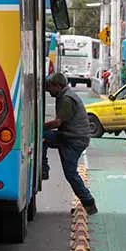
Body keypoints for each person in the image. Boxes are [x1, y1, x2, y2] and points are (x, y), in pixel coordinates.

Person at [41, 73, 98, 214]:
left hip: (73, 140)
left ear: (58, 86)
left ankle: (89, 203)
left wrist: (38, 127)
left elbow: (57, 122)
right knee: (43, 138)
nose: (49, 91)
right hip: (69, 136)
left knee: (71, 174)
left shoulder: (66, 99)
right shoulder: (64, 95)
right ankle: (43, 168)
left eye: (50, 87)